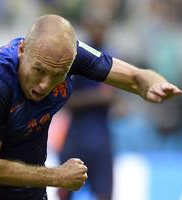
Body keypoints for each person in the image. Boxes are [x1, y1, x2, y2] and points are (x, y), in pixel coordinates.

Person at [0, 14, 182, 200]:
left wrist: (153, 84)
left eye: (58, 75)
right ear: (22, 50)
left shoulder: (66, 54)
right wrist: (56, 176)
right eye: (39, 70)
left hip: (31, 195)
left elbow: (135, 77)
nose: (45, 84)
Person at [58, 18, 115, 200]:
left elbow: (115, 98)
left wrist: (118, 104)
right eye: (96, 26)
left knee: (104, 192)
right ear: (88, 27)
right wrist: (96, 98)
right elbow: (64, 101)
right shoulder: (76, 59)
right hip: (77, 138)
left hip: (101, 138)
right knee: (65, 191)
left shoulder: (112, 58)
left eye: (103, 27)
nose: (99, 31)